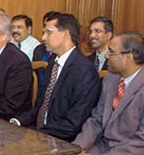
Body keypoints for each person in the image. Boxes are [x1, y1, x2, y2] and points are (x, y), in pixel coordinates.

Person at [11, 13, 100, 141]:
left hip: (62, 139)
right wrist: (18, 122)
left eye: (49, 32)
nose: (43, 37)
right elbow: (42, 107)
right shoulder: (53, 65)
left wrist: (36, 134)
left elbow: (73, 124)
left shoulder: (84, 71)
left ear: (65, 34)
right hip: (43, 132)